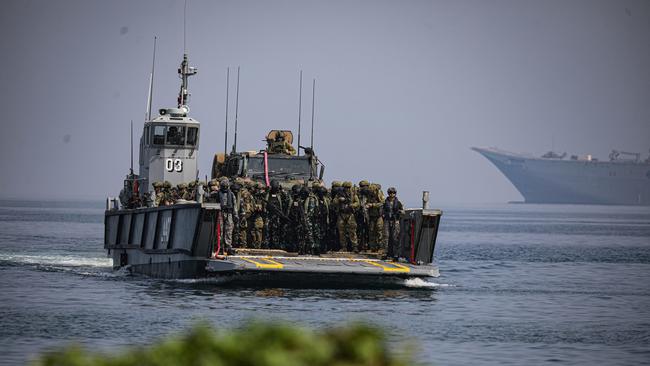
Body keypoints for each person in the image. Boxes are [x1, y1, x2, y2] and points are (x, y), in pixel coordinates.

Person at [336, 181, 360, 252]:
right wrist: (339, 199)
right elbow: (334, 202)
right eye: (346, 187)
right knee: (341, 231)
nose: (347, 189)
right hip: (341, 214)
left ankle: (355, 246)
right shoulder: (339, 194)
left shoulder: (353, 195)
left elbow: (357, 203)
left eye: (349, 187)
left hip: (350, 214)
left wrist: (351, 205)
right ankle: (343, 247)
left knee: (352, 231)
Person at [217, 178, 237, 254]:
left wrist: (235, 215)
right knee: (220, 230)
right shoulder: (217, 193)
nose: (225, 188)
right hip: (220, 213)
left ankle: (228, 246)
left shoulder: (231, 194)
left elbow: (234, 205)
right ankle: (220, 247)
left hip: (229, 214)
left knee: (229, 230)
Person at [383, 187, 403, 260]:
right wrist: (384, 214)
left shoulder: (398, 203)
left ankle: (395, 254)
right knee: (386, 237)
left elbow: (402, 211)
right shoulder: (385, 203)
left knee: (395, 238)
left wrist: (399, 212)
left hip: (395, 221)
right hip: (387, 221)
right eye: (390, 193)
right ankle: (386, 253)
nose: (392, 194)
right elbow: (382, 211)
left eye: (393, 193)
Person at [367, 183, 385, 251]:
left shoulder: (379, 194)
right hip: (372, 216)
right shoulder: (369, 195)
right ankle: (373, 247)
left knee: (379, 231)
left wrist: (373, 205)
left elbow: (382, 203)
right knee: (371, 231)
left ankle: (380, 247)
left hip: (379, 216)